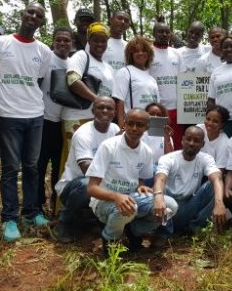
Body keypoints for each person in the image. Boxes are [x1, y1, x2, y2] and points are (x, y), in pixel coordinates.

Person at [0, 2, 53, 242]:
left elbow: (40, 80)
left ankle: (31, 213)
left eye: (39, 15)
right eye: (30, 12)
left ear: (41, 22)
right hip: (9, 115)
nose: (33, 16)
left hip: (35, 114)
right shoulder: (0, 43)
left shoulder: (44, 51)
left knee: (33, 167)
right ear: (22, 15)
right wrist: (2, 104)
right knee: (10, 168)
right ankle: (9, 219)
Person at [86, 109, 179, 253]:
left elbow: (140, 180)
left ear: (147, 127)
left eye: (140, 125)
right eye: (130, 123)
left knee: (170, 206)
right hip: (103, 203)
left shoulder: (146, 151)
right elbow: (92, 188)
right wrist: (116, 196)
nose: (134, 128)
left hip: (131, 199)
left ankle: (132, 231)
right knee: (129, 208)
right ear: (124, 123)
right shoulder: (108, 146)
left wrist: (141, 187)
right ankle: (110, 239)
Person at [54, 97, 119, 243]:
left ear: (114, 113)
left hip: (101, 184)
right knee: (86, 184)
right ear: (92, 111)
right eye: (100, 107)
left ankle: (93, 221)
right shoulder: (83, 134)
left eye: (109, 108)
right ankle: (64, 223)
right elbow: (87, 170)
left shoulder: (115, 130)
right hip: (73, 187)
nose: (104, 111)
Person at [62, 22, 116, 176]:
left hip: (97, 121)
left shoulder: (108, 67)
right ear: (88, 41)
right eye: (95, 40)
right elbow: (72, 79)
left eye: (103, 40)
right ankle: (65, 198)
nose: (99, 44)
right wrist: (97, 100)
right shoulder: (81, 56)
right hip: (77, 118)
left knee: (95, 161)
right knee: (75, 164)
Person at [153, 126, 227, 235]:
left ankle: (195, 228)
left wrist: (220, 204)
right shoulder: (168, 158)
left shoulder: (206, 158)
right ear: (182, 140)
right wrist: (158, 197)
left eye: (196, 140)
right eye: (188, 139)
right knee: (161, 190)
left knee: (213, 185)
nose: (191, 143)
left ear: (202, 144)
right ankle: (165, 232)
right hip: (170, 208)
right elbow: (160, 178)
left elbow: (217, 179)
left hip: (190, 205)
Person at [37, 26, 73, 215]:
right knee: (40, 165)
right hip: (43, 119)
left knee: (59, 165)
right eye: (58, 39)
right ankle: (37, 205)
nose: (62, 43)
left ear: (72, 43)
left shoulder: (73, 63)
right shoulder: (46, 58)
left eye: (66, 40)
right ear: (53, 41)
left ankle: (56, 204)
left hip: (63, 122)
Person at [112, 36, 159, 129]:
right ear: (130, 55)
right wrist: (121, 127)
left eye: (144, 50)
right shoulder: (125, 72)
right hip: (133, 127)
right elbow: (119, 102)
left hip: (150, 127)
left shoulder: (151, 78)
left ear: (149, 53)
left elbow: (156, 106)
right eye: (136, 51)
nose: (141, 53)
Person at [149, 21, 184, 147]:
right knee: (158, 144)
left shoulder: (177, 53)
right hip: (157, 109)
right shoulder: (148, 52)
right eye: (160, 31)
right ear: (154, 33)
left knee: (176, 143)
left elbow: (182, 78)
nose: (164, 34)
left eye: (167, 32)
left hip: (176, 109)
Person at [142, 102, 175, 186]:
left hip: (160, 174)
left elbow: (170, 158)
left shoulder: (166, 136)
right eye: (151, 114)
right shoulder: (139, 133)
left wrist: (166, 138)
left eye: (158, 115)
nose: (155, 117)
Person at [196, 105, 230, 170]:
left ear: (222, 124)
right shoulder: (199, 129)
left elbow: (219, 170)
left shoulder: (225, 143)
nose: (210, 123)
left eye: (215, 121)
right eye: (208, 119)